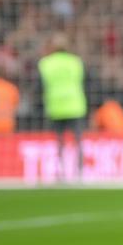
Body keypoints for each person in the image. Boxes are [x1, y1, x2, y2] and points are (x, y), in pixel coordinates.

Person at [37, 34, 87, 181]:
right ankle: (80, 173)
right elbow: (82, 80)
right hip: (75, 105)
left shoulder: (45, 63)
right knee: (78, 141)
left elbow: (41, 85)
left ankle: (61, 173)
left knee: (60, 142)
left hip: (55, 106)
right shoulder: (76, 62)